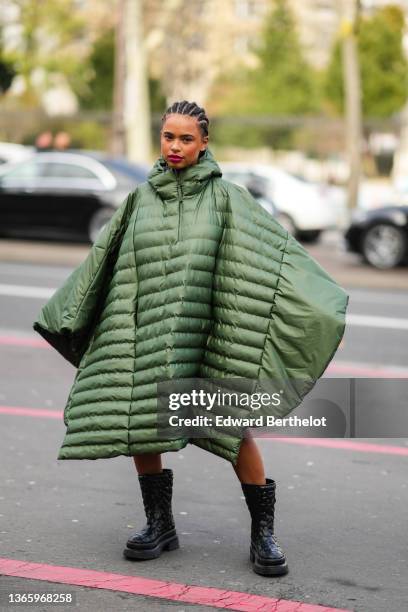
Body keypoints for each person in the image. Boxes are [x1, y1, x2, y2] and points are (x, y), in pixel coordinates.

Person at [33, 100, 348, 577]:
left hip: (206, 338)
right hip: (144, 334)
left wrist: (319, 305)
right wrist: (68, 312)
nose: (175, 147)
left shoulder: (228, 199)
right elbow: (103, 262)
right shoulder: (140, 199)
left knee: (231, 430)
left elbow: (271, 260)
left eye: (186, 139)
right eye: (168, 137)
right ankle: (159, 524)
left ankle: (263, 532)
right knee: (143, 425)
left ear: (205, 143)